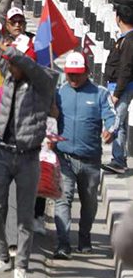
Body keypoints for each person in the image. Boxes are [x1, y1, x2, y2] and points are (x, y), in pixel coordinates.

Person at [0, 39, 58, 278]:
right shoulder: (10, 79)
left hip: (28, 157)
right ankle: (2, 257)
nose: (9, 68)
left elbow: (29, 66)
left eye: (14, 63)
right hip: (2, 153)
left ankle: (22, 265)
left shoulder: (44, 83)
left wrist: (11, 52)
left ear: (26, 62)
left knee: (24, 216)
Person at [52, 51, 116, 258]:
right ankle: (63, 244)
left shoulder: (100, 93)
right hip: (64, 159)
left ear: (87, 72)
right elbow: (48, 118)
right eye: (70, 74)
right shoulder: (59, 93)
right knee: (63, 200)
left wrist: (110, 130)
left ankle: (84, 237)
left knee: (89, 203)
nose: (74, 78)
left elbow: (112, 117)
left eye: (78, 74)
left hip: (90, 161)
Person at [104, 4, 133, 173]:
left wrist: (116, 94)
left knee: (115, 121)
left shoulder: (128, 41)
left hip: (121, 88)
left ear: (118, 19)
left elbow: (126, 69)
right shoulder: (125, 39)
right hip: (119, 87)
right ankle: (119, 158)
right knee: (120, 123)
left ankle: (118, 161)